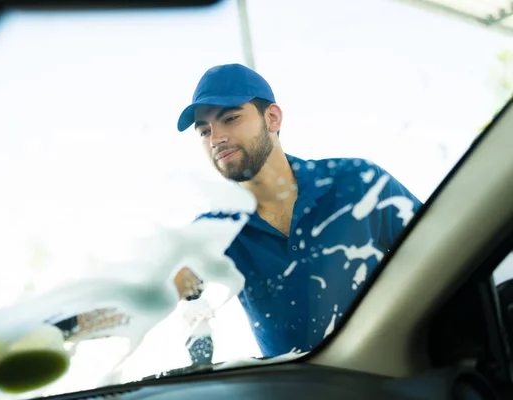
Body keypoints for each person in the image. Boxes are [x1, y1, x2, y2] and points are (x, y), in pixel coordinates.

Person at [174, 63, 422, 358]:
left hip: (395, 377)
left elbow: (445, 255)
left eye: (230, 118)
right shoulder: (211, 232)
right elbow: (148, 297)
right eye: (204, 131)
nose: (216, 139)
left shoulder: (360, 182)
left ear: (272, 118)